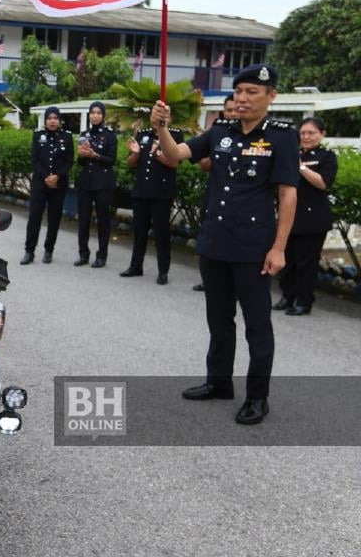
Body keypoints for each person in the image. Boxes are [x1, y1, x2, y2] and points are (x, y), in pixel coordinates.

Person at [151, 64, 299, 425]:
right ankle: (218, 382)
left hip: (253, 248)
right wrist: (161, 127)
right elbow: (175, 155)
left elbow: (288, 193)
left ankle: (257, 397)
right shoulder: (220, 132)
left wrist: (279, 248)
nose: (243, 98)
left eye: (253, 92)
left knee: (257, 325)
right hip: (215, 243)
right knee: (219, 320)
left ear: (271, 96)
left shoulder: (281, 136)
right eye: (239, 92)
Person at [274, 117, 338, 316]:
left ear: (322, 134)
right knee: (288, 260)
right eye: (303, 133)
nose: (307, 137)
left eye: (311, 133)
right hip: (290, 216)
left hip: (313, 219)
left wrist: (301, 167)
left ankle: (303, 301)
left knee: (306, 263)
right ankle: (287, 296)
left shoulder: (327, 156)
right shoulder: (293, 154)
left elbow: (322, 183)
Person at [120, 124, 183, 284]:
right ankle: (136, 266)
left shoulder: (175, 135)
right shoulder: (142, 134)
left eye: (161, 115)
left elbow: (174, 163)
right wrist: (135, 154)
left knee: (161, 234)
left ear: (168, 117)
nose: (157, 119)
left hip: (161, 193)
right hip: (141, 191)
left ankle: (163, 271)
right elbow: (131, 163)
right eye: (154, 115)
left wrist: (156, 152)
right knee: (139, 232)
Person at [193, 96, 239, 292]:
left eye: (235, 110)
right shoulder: (216, 133)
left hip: (240, 204)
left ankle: (235, 284)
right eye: (229, 110)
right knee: (209, 238)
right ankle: (209, 280)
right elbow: (203, 165)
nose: (233, 114)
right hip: (215, 197)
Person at [21, 106, 74, 265]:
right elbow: (35, 160)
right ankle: (29, 251)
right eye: (49, 118)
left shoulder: (66, 137)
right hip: (40, 183)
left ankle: (48, 250)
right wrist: (46, 177)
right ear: (45, 121)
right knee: (34, 217)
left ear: (59, 120)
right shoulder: (38, 136)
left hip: (59, 184)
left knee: (54, 218)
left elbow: (69, 161)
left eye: (55, 118)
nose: (52, 121)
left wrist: (57, 176)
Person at [74, 101, 117, 268]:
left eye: (99, 113)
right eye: (92, 112)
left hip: (103, 184)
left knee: (103, 221)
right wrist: (82, 155)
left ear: (103, 116)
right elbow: (80, 162)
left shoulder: (110, 136)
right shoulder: (84, 134)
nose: (95, 115)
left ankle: (101, 256)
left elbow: (111, 160)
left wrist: (95, 155)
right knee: (83, 220)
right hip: (86, 183)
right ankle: (83, 254)